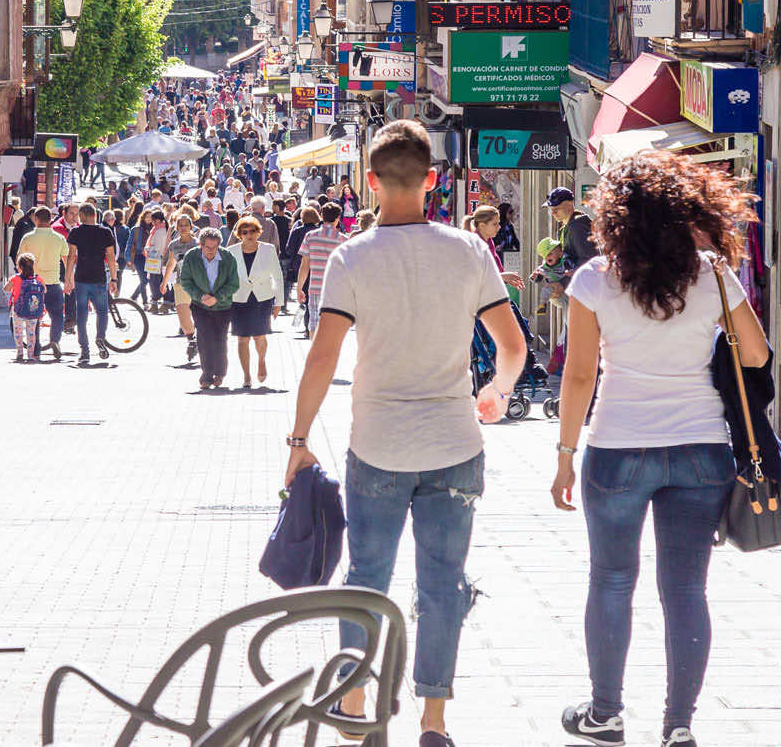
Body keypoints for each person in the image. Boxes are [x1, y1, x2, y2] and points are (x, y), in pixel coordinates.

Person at [283, 122, 527, 747]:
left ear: (370, 181)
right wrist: (495, 394)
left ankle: (357, 698)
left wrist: (299, 439)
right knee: (443, 583)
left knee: (367, 575)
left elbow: (322, 357)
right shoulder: (469, 251)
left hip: (380, 445)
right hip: (454, 445)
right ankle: (434, 718)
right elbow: (513, 346)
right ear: (432, 179)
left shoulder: (351, 258)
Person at [543, 151, 768, 747]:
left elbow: (579, 376)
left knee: (612, 580)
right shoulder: (713, 273)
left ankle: (606, 712)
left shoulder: (593, 279)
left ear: (616, 217)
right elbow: (756, 354)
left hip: (617, 446)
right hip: (700, 448)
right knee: (686, 589)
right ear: (687, 211)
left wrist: (565, 453)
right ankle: (679, 724)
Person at [177, 227, 239, 390]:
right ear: (201, 245)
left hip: (223, 306)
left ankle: (220, 372)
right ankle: (206, 374)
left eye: (214, 247)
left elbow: (234, 283)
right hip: (200, 305)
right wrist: (201, 296)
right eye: (207, 247)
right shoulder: (191, 256)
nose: (211, 251)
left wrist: (217, 297)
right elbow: (185, 281)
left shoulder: (228, 257)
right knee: (204, 339)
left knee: (220, 339)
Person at [227, 215, 281, 388]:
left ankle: (261, 361)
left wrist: (278, 302)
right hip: (239, 298)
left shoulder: (269, 249)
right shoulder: (231, 251)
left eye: (252, 231)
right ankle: (246, 376)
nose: (249, 234)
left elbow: (277, 276)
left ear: (258, 233)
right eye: (245, 232)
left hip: (262, 297)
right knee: (242, 339)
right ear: (239, 234)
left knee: (259, 336)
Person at [65, 203, 119, 363]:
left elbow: (71, 256)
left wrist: (68, 279)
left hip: (81, 278)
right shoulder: (105, 232)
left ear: (82, 215)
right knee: (102, 312)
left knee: (82, 315)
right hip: (99, 278)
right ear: (95, 215)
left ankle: (85, 351)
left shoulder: (76, 232)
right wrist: (114, 279)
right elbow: (110, 257)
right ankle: (100, 337)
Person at [16, 207, 72, 359]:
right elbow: (67, 260)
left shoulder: (27, 238)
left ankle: (36, 347)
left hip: (32, 285)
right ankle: (54, 340)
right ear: (50, 219)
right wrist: (68, 280)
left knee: (34, 317)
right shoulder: (59, 238)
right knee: (57, 315)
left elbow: (19, 261)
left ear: (36, 218)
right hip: (53, 283)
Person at [295, 201, 347, 335]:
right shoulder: (343, 240)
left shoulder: (310, 236)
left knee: (314, 325)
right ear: (338, 218)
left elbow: (304, 265)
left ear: (321, 216)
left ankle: (314, 353)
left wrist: (300, 288)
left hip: (315, 288)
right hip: (336, 290)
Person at [163, 212, 201, 361]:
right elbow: (171, 264)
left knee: (199, 315)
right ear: (176, 227)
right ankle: (192, 340)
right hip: (181, 283)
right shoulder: (174, 244)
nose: (184, 227)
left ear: (191, 226)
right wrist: (164, 282)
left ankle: (199, 340)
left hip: (199, 284)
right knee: (183, 316)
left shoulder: (198, 243)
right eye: (181, 225)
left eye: (186, 225)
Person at [545, 186, 598, 269]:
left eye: (557, 208)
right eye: (551, 209)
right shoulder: (564, 229)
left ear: (570, 205)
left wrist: (569, 274)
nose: (553, 213)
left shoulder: (577, 227)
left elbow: (588, 261)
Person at [8, 254, 46, 362]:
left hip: (18, 310)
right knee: (31, 333)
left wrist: (15, 288)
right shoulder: (37, 278)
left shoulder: (16, 278)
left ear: (20, 266)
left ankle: (20, 353)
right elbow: (45, 290)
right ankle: (30, 356)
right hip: (33, 309)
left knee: (18, 332)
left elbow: (6, 289)